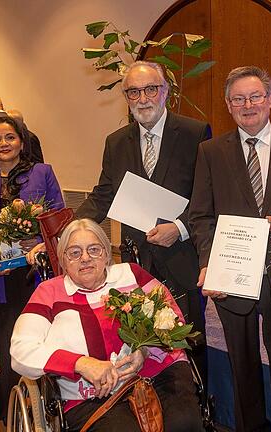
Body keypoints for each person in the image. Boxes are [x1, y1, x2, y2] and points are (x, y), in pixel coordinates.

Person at [188, 66, 271, 431]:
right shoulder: (211, 151)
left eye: (255, 96)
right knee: (242, 368)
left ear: (270, 99)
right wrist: (206, 263)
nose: (248, 105)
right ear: (228, 106)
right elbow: (200, 215)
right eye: (238, 99)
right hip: (232, 276)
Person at [76, 60, 212, 382]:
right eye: (134, 92)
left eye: (151, 89)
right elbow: (104, 194)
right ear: (126, 97)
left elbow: (208, 196)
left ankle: (196, 410)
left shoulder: (195, 133)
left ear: (165, 92)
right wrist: (71, 226)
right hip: (137, 263)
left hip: (182, 259)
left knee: (188, 343)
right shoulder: (116, 141)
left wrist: (179, 228)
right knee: (142, 346)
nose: (143, 98)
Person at [10, 218, 204, 431]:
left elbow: (173, 321)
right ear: (63, 260)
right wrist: (82, 364)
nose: (85, 258)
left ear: (106, 254)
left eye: (94, 249)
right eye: (74, 252)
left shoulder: (131, 274)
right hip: (91, 395)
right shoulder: (49, 293)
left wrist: (145, 351)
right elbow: (21, 351)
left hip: (157, 373)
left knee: (184, 424)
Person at [0, 115, 64, 423]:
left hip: (35, 272)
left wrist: (36, 246)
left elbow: (58, 219)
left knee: (39, 335)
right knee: (4, 338)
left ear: (22, 141)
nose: (4, 144)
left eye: (10, 137)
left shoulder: (42, 172)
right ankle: (9, 410)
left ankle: (44, 408)